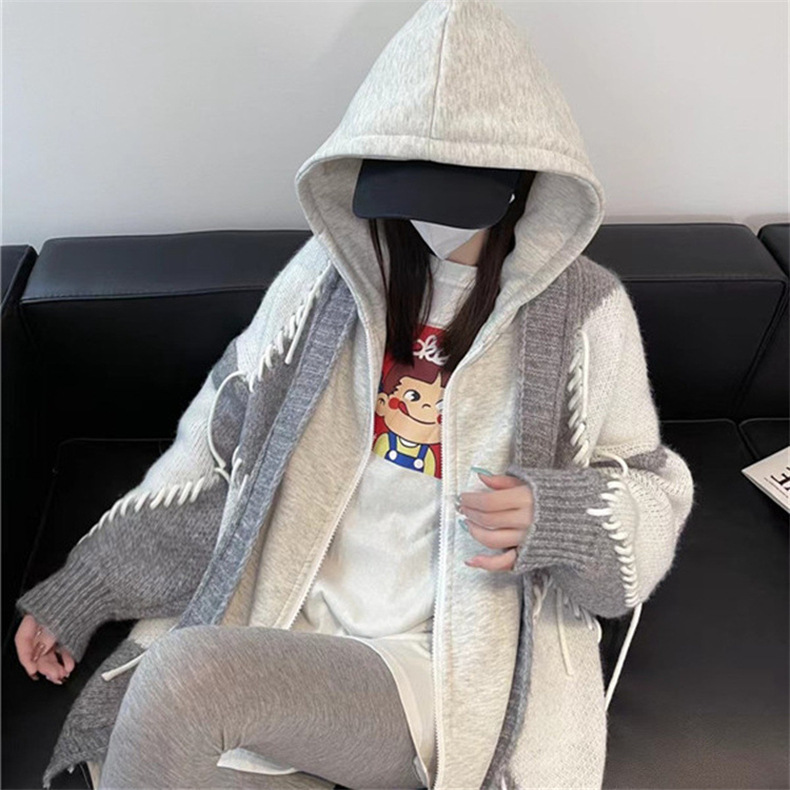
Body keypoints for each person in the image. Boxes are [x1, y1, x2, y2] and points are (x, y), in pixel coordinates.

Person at [14, 1, 696, 789]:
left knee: (181, 680)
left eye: (454, 193)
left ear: (523, 177)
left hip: (441, 670)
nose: (425, 217)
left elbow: (654, 494)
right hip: (289, 630)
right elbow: (219, 451)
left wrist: (560, 518)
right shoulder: (324, 281)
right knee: (156, 733)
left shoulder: (586, 313)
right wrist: (87, 588)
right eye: (408, 182)